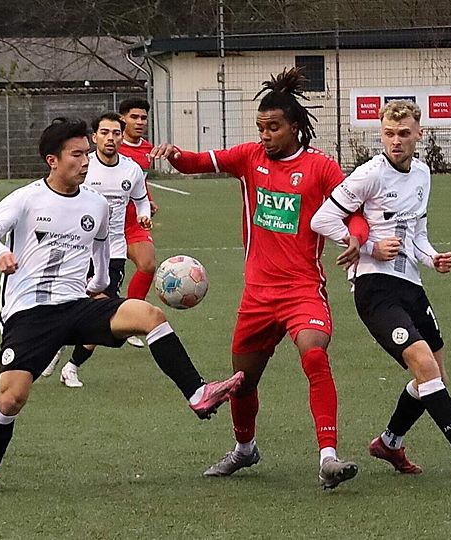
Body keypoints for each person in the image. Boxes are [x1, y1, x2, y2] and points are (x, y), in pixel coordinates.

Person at [0, 118, 243, 494]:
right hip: (30, 313)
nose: (85, 161)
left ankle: (197, 394)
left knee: (150, 316)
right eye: (76, 155)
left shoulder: (95, 205)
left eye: (85, 153)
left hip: (78, 304)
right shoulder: (27, 198)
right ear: (52, 160)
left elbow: (99, 252)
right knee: (12, 398)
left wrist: (99, 289)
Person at [149, 67, 358, 489]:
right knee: (243, 381)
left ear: (295, 128)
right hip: (258, 296)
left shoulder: (320, 167)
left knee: (314, 356)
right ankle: (245, 449)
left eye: (273, 127)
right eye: (260, 127)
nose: (264, 135)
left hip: (303, 291)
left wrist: (354, 236)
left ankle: (328, 457)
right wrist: (173, 154)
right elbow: (197, 162)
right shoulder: (249, 158)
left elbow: (353, 209)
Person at [310, 100, 451, 483]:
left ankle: (390, 442)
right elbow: (321, 218)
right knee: (425, 367)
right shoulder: (368, 175)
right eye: (389, 134)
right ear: (381, 134)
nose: (396, 141)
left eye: (404, 134)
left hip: (411, 285)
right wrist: (369, 245)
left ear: (418, 135)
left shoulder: (423, 174)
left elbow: (417, 236)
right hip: (374, 288)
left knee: (434, 375)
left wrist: (432, 258)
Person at [41, 112, 152, 387]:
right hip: (78, 250)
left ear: (121, 136)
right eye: (104, 133)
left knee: (101, 312)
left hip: (111, 253)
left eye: (116, 133)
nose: (111, 138)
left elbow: (141, 200)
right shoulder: (83, 169)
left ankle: (72, 367)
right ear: (95, 137)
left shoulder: (131, 170)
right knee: (65, 304)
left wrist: (144, 214)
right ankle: (56, 345)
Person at [118, 97, 158, 348]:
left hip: (134, 221)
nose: (140, 122)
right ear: (122, 119)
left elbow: (140, 183)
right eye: (134, 117)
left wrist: (148, 202)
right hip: (106, 223)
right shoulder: (111, 146)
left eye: (143, 117)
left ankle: (131, 319)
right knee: (96, 284)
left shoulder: (148, 150)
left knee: (148, 265)